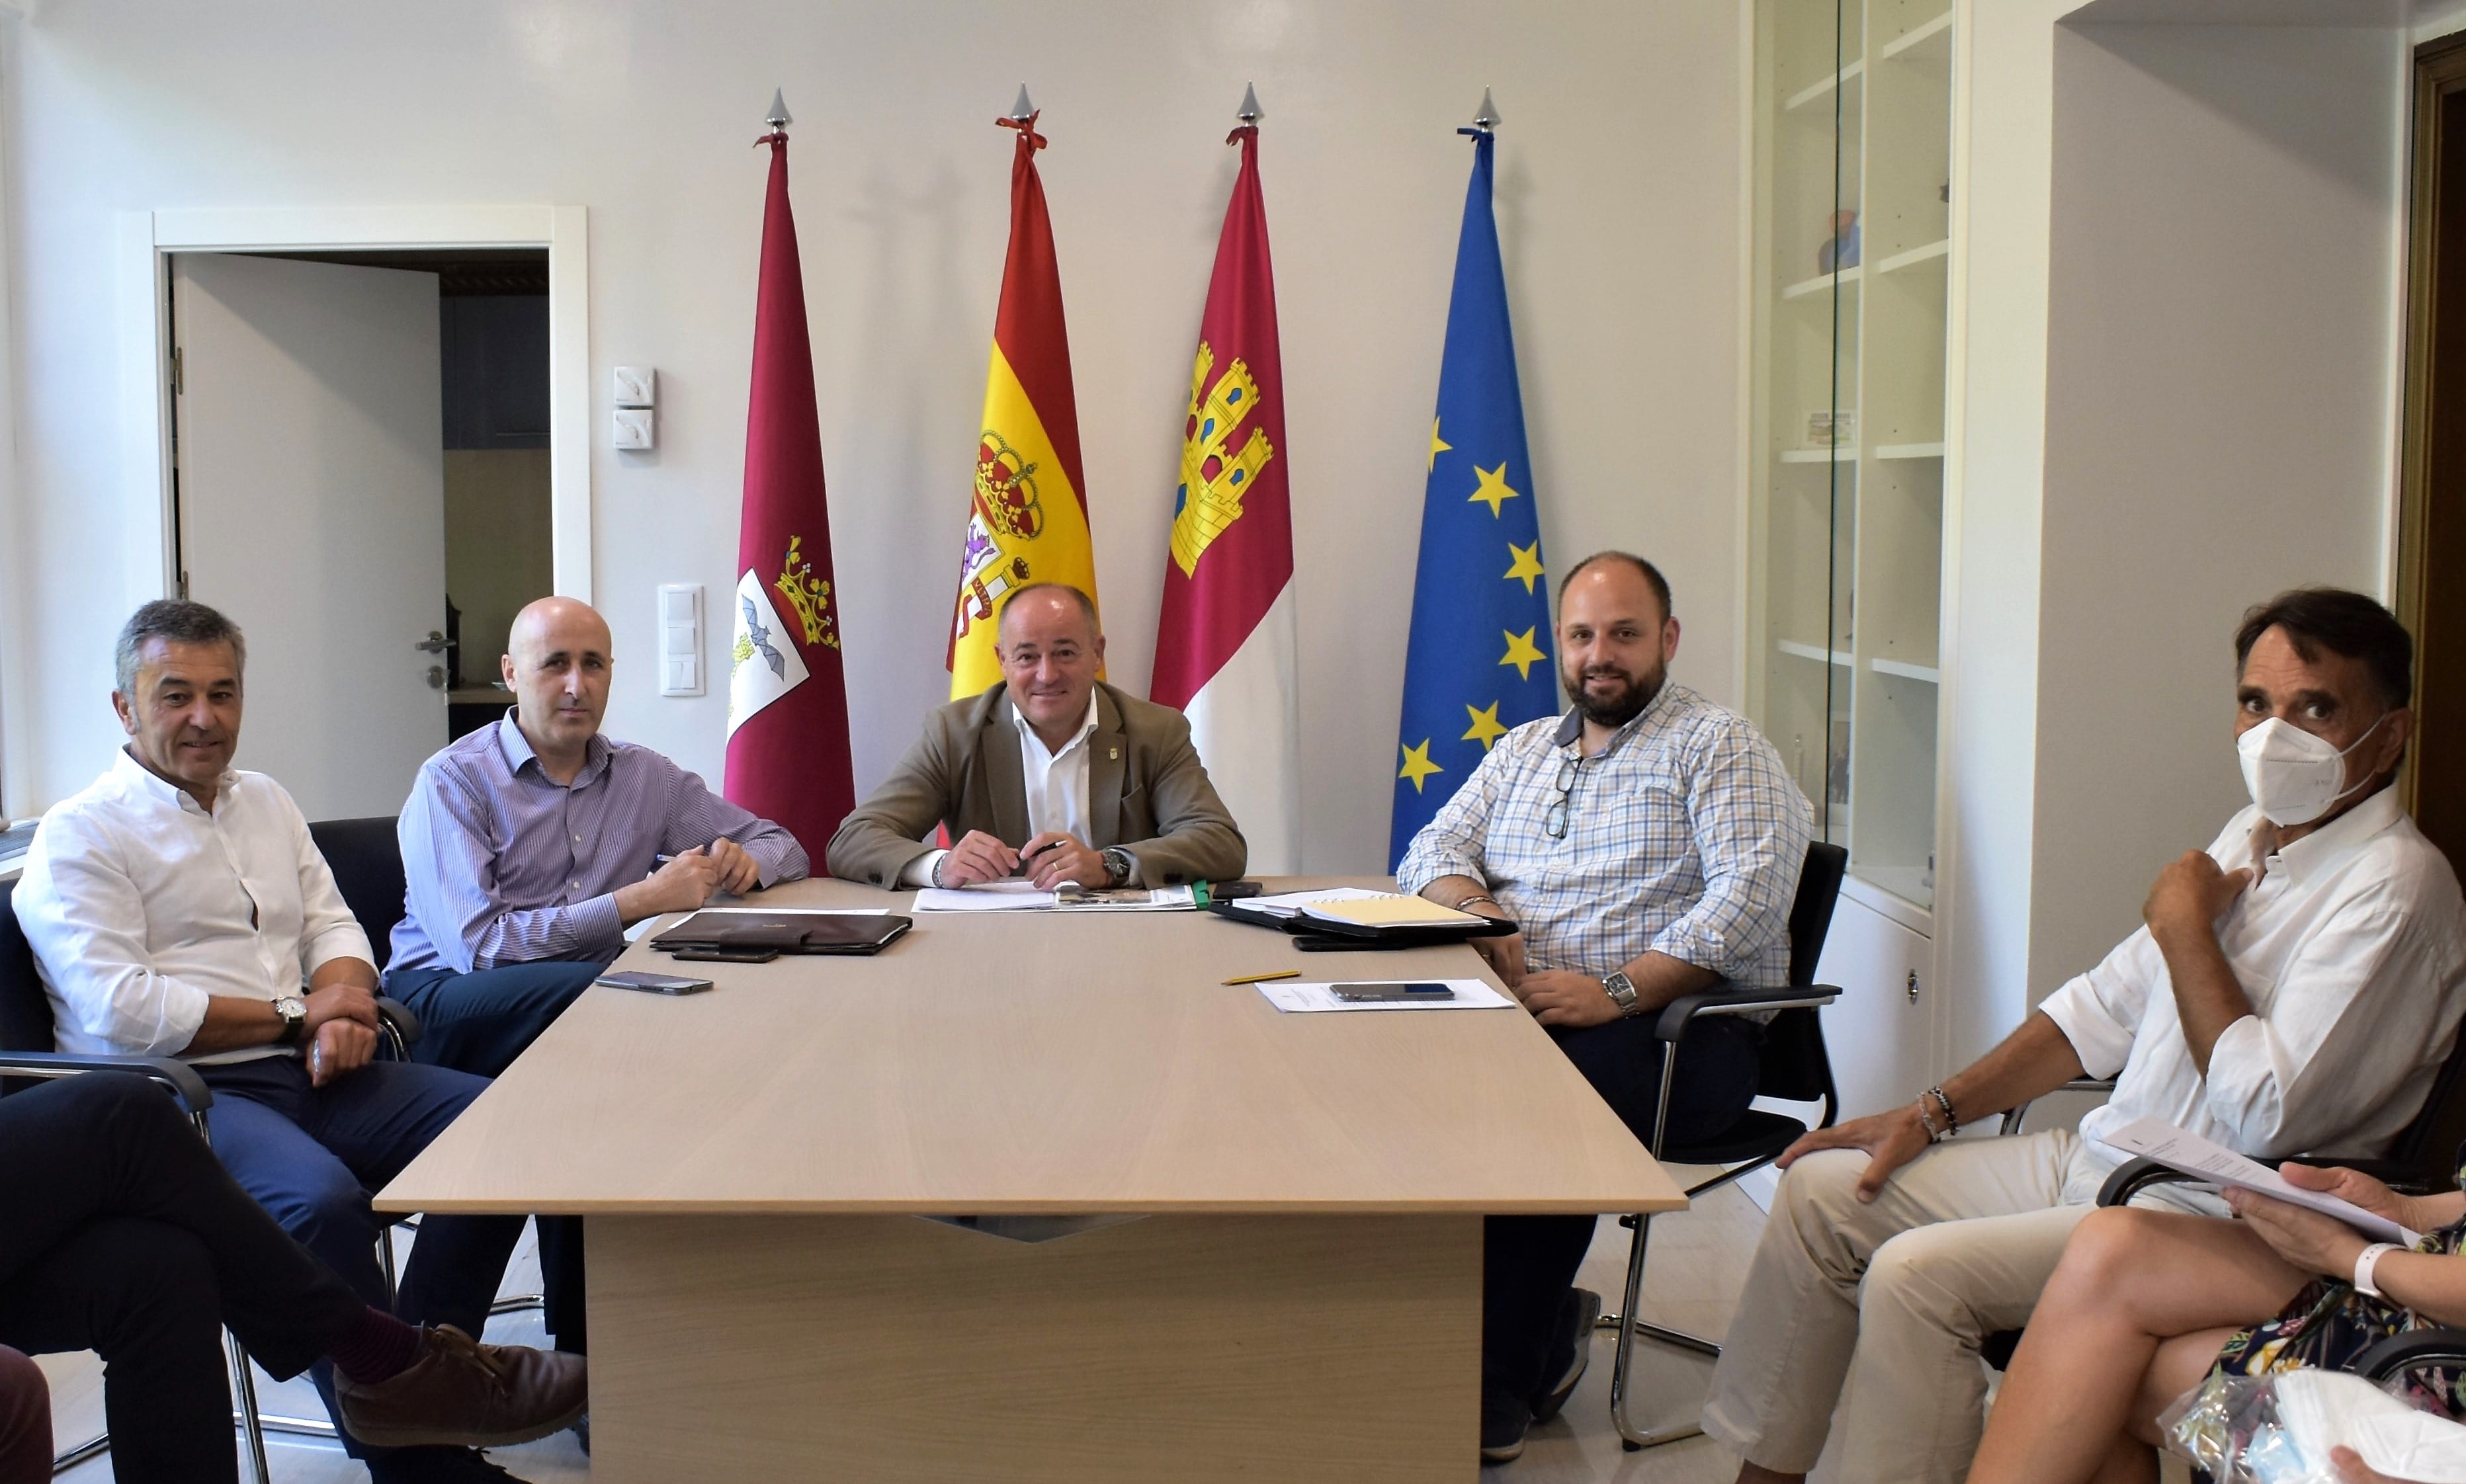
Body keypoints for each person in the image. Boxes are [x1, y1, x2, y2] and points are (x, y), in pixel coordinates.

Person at [1703, 587, 2466, 1484]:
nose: (2273, 735)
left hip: (2207, 1212)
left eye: (2315, 709)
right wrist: (1932, 1111)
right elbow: (2097, 1009)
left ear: (2390, 733)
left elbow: (2262, 1113)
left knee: (1914, 1277)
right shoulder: (2250, 835)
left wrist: (2184, 929)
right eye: (2255, 703)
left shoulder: (2395, 887)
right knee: (1821, 1194)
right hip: (2105, 1156)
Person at [11, 598, 550, 1484]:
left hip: (313, 1068)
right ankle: (415, 1461)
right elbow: (123, 1012)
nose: (204, 717)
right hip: (182, 1102)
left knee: (510, 1126)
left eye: (222, 694)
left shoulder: (263, 798)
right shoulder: (81, 832)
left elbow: (336, 926)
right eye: (176, 695)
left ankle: (429, 1363)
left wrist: (341, 1003)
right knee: (320, 1206)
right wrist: (303, 1014)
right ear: (124, 707)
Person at [1394, 551, 1814, 1464]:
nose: (1600, 656)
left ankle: (1494, 1380)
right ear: (1559, 643)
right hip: (1527, 1013)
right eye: (1582, 636)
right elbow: (1428, 847)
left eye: (1624, 634)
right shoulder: (1524, 749)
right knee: (1391, 1074)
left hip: (1679, 1037)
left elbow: (1749, 900)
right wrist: (1473, 905)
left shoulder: (1718, 743)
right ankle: (1459, 1335)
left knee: (1540, 1101)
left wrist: (1615, 990)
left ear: (1667, 638)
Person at [385, 595, 809, 1357]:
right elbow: (481, 947)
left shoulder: (645, 778)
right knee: (620, 1007)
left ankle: (556, 1359)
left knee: (557, 1102)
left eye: (592, 665)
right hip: (441, 1005)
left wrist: (745, 862)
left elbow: (783, 843)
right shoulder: (453, 780)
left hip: (573, 1016)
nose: (576, 684)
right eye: (554, 665)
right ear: (511, 673)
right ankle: (560, 1351)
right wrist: (640, 901)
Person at [0, 1073, 588, 1484]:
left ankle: (399, 1381)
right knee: (124, 1112)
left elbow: (331, 941)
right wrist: (291, 1014)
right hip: (199, 1077)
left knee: (160, 1267)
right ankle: (387, 1363)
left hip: (297, 1064)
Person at [1969, 1156, 2466, 1483]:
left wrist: (2351, 1256)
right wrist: (2405, 1211)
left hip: (2438, 1344)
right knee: (2115, 1247)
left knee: (2107, 1374)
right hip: (2430, 1265)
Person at [826, 583, 1246, 890]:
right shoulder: (954, 733)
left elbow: (1220, 842)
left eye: (1065, 653)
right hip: (993, 943)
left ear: (1097, 653)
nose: (1047, 675)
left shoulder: (1155, 731)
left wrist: (1110, 865)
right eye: (1027, 656)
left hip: (1123, 937)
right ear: (1002, 660)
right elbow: (854, 839)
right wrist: (940, 867)